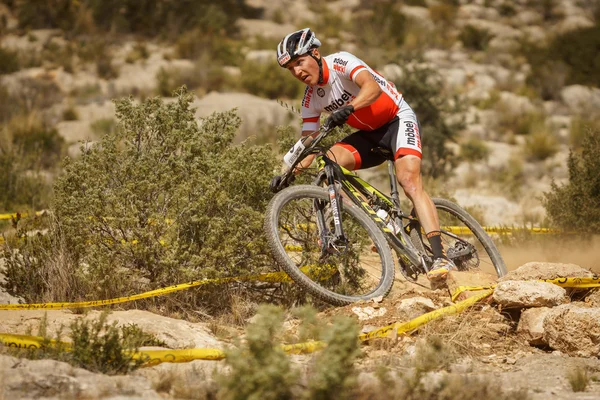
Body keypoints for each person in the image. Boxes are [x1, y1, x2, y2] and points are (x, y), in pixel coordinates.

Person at [270, 28, 455, 283]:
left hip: (397, 120)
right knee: (329, 161)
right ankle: (373, 220)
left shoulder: (341, 62)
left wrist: (349, 108)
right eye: (291, 69)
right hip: (369, 134)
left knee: (409, 182)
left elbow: (371, 88)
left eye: (299, 62)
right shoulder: (310, 98)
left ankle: (440, 256)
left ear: (315, 53)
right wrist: (288, 173)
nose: (298, 72)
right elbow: (308, 142)